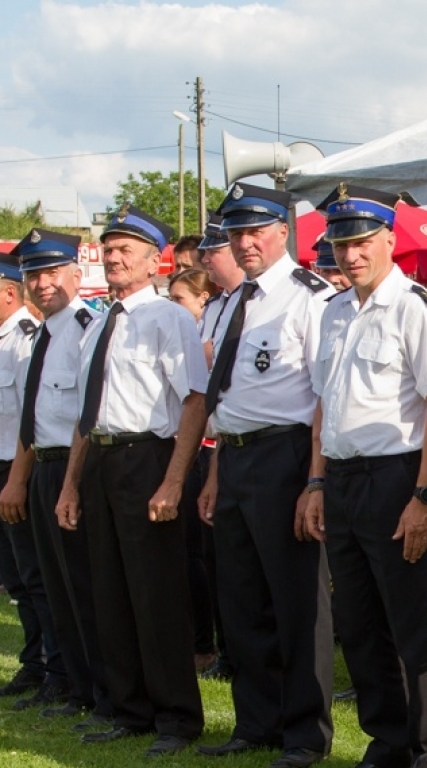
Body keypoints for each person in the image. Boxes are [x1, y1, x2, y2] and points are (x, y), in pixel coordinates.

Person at [303, 184, 427, 768]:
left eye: (363, 241)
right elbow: (325, 407)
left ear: (390, 241)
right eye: (341, 244)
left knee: (412, 621)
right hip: (343, 477)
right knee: (359, 620)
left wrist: (425, 497)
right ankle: (387, 741)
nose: (351, 255)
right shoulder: (333, 311)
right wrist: (317, 480)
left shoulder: (416, 308)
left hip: (399, 477)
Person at [55, 205, 208, 757]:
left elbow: (194, 399)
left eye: (127, 251)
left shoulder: (169, 319)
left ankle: (176, 717)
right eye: (109, 249)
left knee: (156, 592)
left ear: (153, 261)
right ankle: (129, 708)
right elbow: (86, 412)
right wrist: (72, 485)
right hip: (100, 458)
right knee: (110, 590)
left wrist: (173, 481)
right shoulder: (98, 323)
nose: (115, 258)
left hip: (147, 457)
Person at [193, 183, 333, 768]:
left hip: (288, 454)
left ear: (283, 231)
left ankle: (304, 731)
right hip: (236, 454)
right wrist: (215, 473)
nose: (244, 243)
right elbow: (227, 399)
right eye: (234, 232)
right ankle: (255, 721)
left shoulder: (311, 298)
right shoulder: (224, 304)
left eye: (256, 230)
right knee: (242, 597)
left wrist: (315, 479)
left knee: (295, 598)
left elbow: (325, 395)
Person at [12, 228, 113, 725]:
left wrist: (71, 483)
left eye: (52, 272)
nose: (43, 283)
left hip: (76, 470)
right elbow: (34, 414)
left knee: (83, 585)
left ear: (77, 273)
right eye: (33, 274)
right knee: (55, 586)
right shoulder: (43, 334)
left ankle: (99, 687)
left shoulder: (86, 328)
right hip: (44, 468)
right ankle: (73, 684)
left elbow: (86, 418)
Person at [0, 250, 69, 709]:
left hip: (16, 473)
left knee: (36, 575)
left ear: (10, 292)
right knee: (16, 577)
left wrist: (16, 481)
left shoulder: (25, 338)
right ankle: (34, 662)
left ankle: (55, 667)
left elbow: (30, 418)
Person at [191, 213, 244, 679]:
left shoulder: (297, 300)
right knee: (223, 566)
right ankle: (232, 653)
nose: (206, 258)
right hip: (221, 444)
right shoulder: (217, 307)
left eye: (215, 249)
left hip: (272, 450)